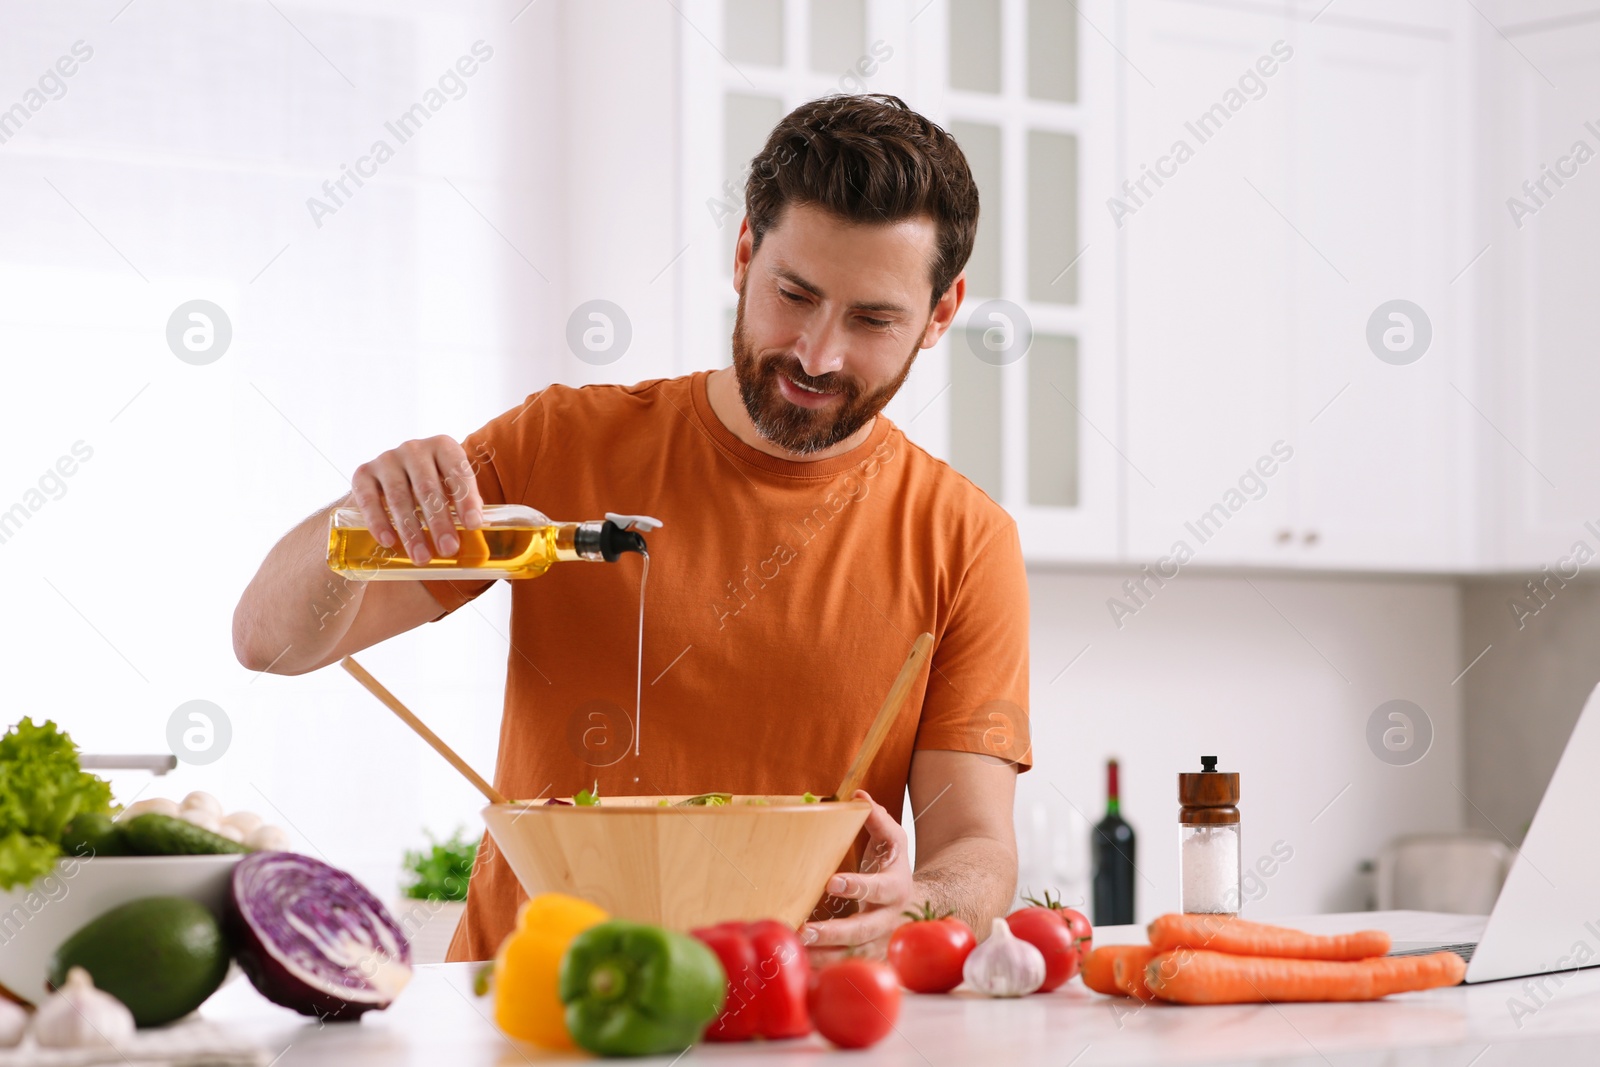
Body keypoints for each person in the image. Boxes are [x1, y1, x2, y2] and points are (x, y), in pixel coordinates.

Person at [233, 93, 1031, 962]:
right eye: (793, 294)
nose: (816, 353)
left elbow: (977, 845)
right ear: (742, 255)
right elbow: (269, 642)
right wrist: (358, 520)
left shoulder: (964, 539)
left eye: (874, 319)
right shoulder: (559, 444)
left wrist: (925, 900)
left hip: (787, 1021)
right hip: (520, 1014)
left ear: (942, 313)